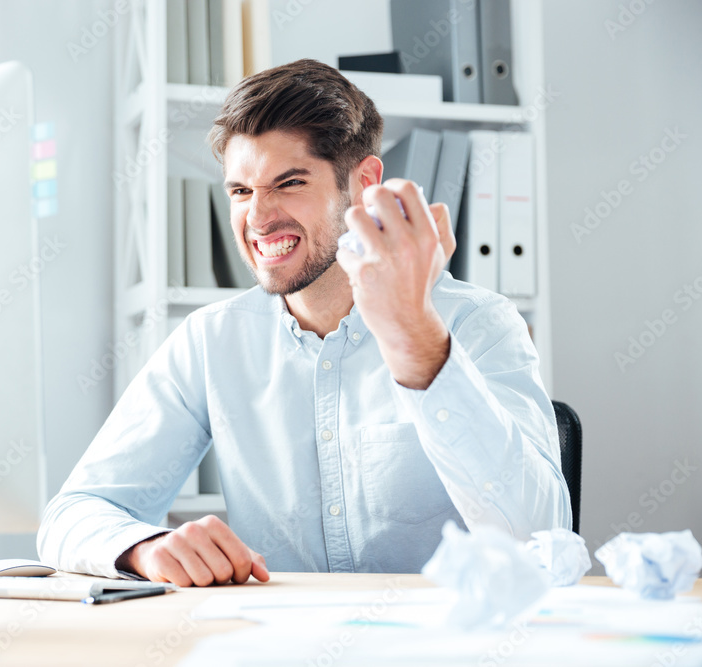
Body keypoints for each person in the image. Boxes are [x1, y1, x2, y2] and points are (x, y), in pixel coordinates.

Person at [37, 59, 571, 587]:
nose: (259, 217)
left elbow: (543, 541)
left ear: (363, 183)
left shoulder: (479, 323)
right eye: (241, 191)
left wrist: (417, 339)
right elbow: (73, 514)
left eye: (289, 183)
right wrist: (144, 548)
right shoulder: (212, 340)